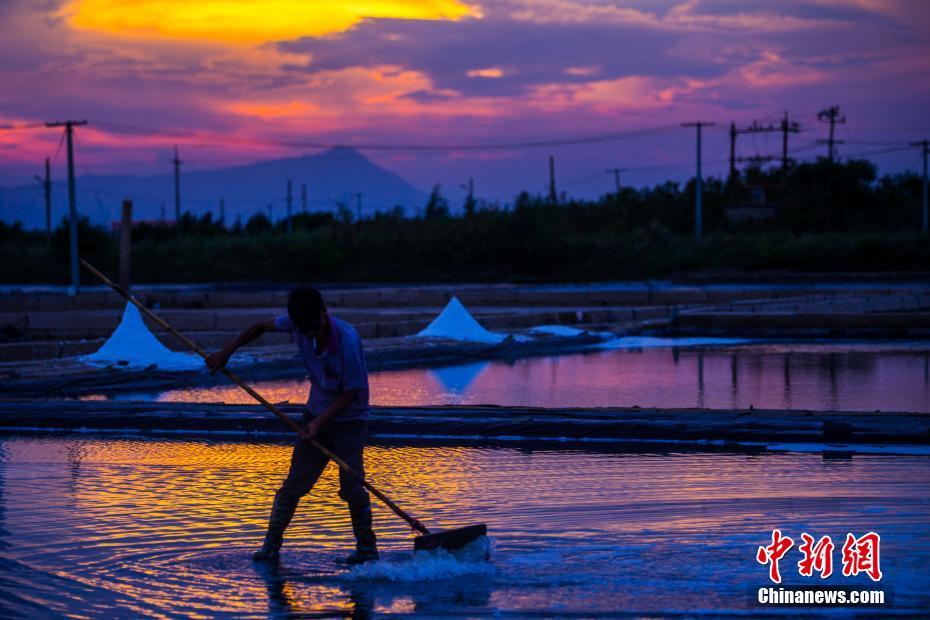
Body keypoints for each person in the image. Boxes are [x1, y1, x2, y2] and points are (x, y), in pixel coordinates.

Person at [205, 286, 378, 565]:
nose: (312, 335)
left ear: (324, 313)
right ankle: (271, 547)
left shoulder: (347, 340)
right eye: (305, 331)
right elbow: (260, 327)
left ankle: (367, 550)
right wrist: (227, 352)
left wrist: (320, 423)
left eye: (315, 328)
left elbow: (352, 392)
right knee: (294, 485)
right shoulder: (298, 325)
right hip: (315, 416)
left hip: (350, 422)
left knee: (353, 487)